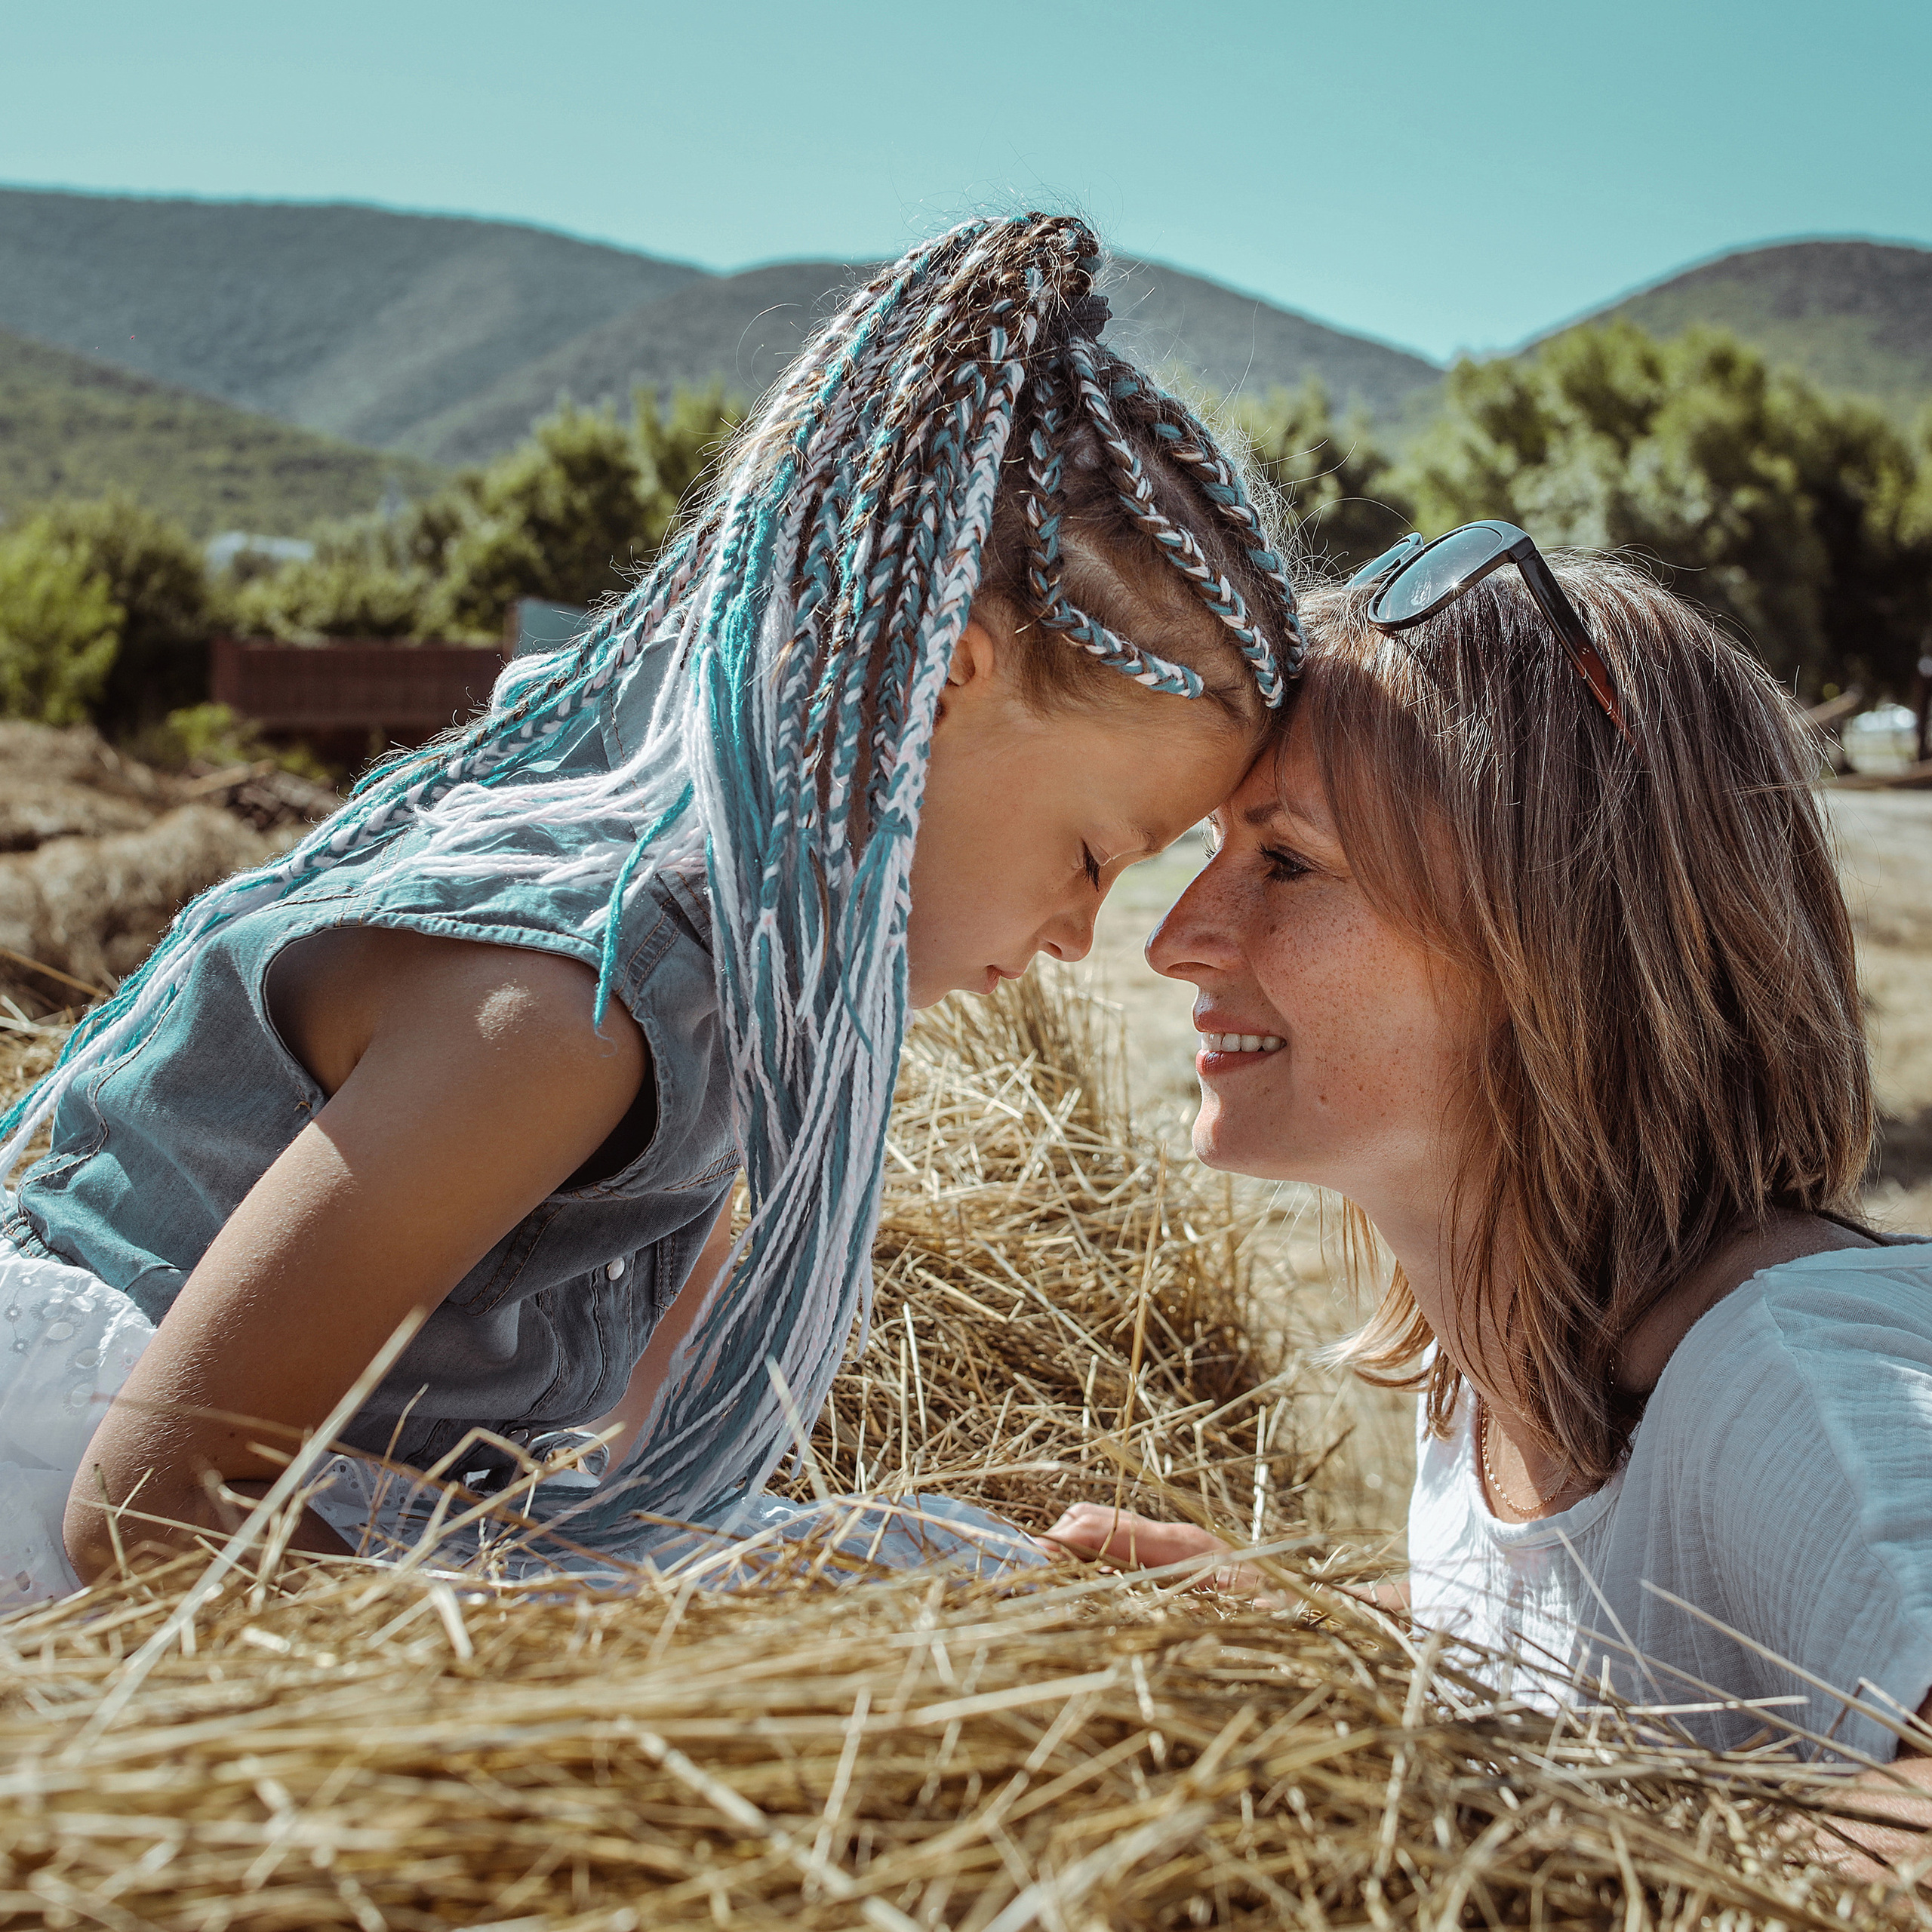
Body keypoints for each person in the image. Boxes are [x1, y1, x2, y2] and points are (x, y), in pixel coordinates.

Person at [0, 213, 1304, 1602]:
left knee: (939, 1580)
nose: (1079, 938)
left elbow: (639, 1459)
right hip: (77, 1488)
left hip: (274, 1502)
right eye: (1095, 855)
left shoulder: (731, 1006)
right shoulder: (563, 1018)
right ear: (938, 690)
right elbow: (153, 1506)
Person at [1043, 533, 1932, 1801]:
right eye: (1209, 855)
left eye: (1287, 862)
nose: (1179, 942)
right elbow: (1581, 1638)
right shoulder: (1487, 1379)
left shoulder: (1794, 1386)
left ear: (1562, 951)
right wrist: (1314, 1620)